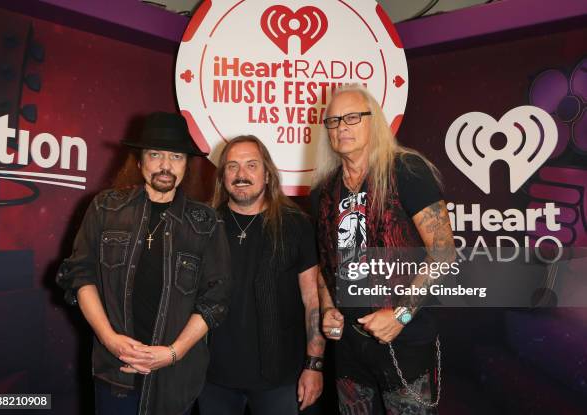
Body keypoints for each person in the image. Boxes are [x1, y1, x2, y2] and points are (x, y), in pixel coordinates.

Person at [56, 112, 231, 415]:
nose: (166, 165)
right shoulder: (104, 208)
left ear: (187, 164)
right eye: (155, 154)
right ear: (139, 161)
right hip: (116, 372)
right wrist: (110, 340)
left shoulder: (206, 223)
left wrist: (173, 353)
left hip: (175, 379)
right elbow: (80, 276)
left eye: (176, 156)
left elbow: (216, 298)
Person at [311, 84, 456, 414]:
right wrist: (328, 307)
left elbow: (445, 252)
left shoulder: (406, 170)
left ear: (373, 121)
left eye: (351, 117)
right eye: (333, 121)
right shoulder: (324, 190)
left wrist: (401, 315)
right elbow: (324, 263)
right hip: (348, 345)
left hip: (405, 340)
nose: (341, 127)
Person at [198, 135, 325, 415]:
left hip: (280, 380)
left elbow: (313, 301)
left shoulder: (297, 226)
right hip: (213, 378)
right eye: (232, 166)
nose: (241, 175)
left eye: (251, 165)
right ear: (222, 176)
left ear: (267, 174)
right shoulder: (204, 225)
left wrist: (314, 365)